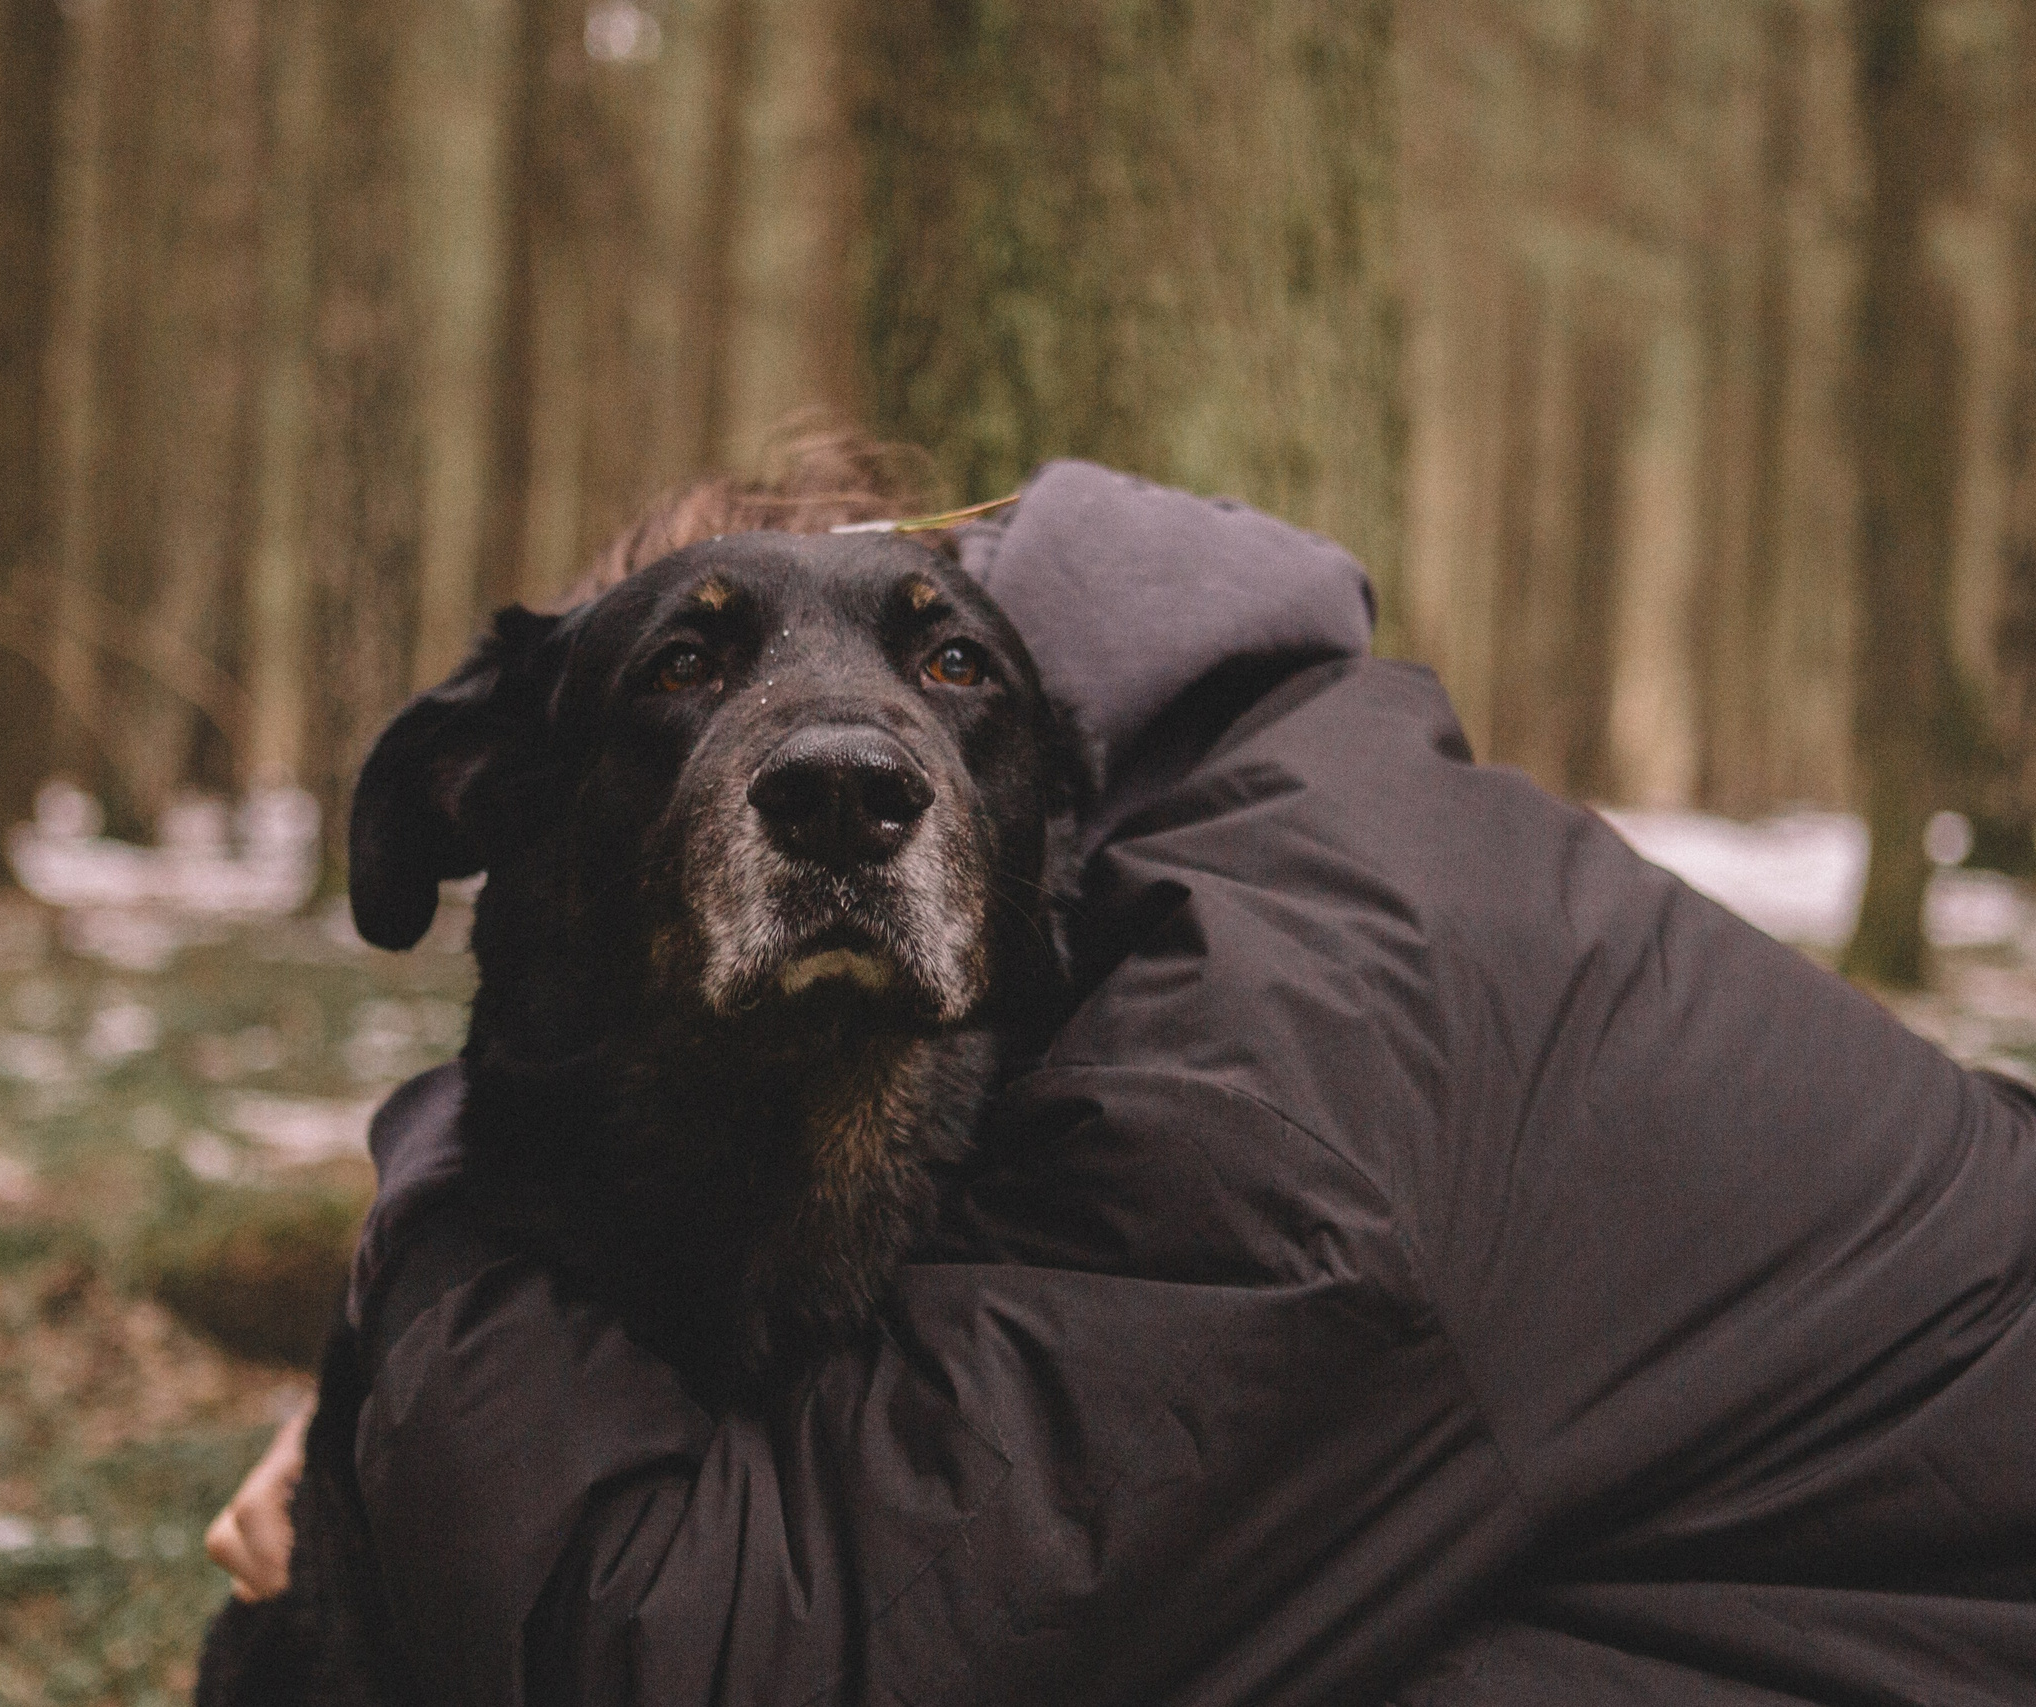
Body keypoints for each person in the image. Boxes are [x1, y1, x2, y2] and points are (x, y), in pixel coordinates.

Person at [214, 447, 2036, 1705]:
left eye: (935, 657)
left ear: (1048, 785)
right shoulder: (1217, 844)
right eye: (691, 662)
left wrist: (425, 1264)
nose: (843, 745)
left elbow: (740, 1668)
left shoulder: (1285, 1051)